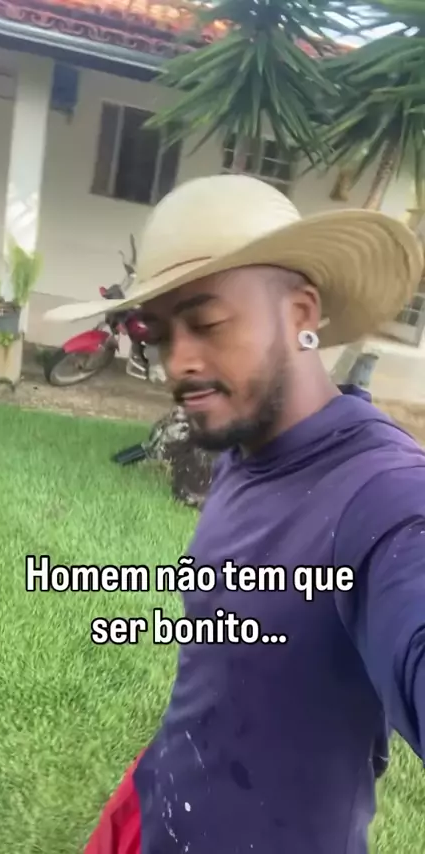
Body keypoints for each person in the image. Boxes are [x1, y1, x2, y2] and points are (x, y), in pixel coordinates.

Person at [45, 175, 425, 854]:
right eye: (160, 334)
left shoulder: (383, 495)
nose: (178, 364)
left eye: (208, 323)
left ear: (301, 313)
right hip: (159, 804)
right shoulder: (245, 450)